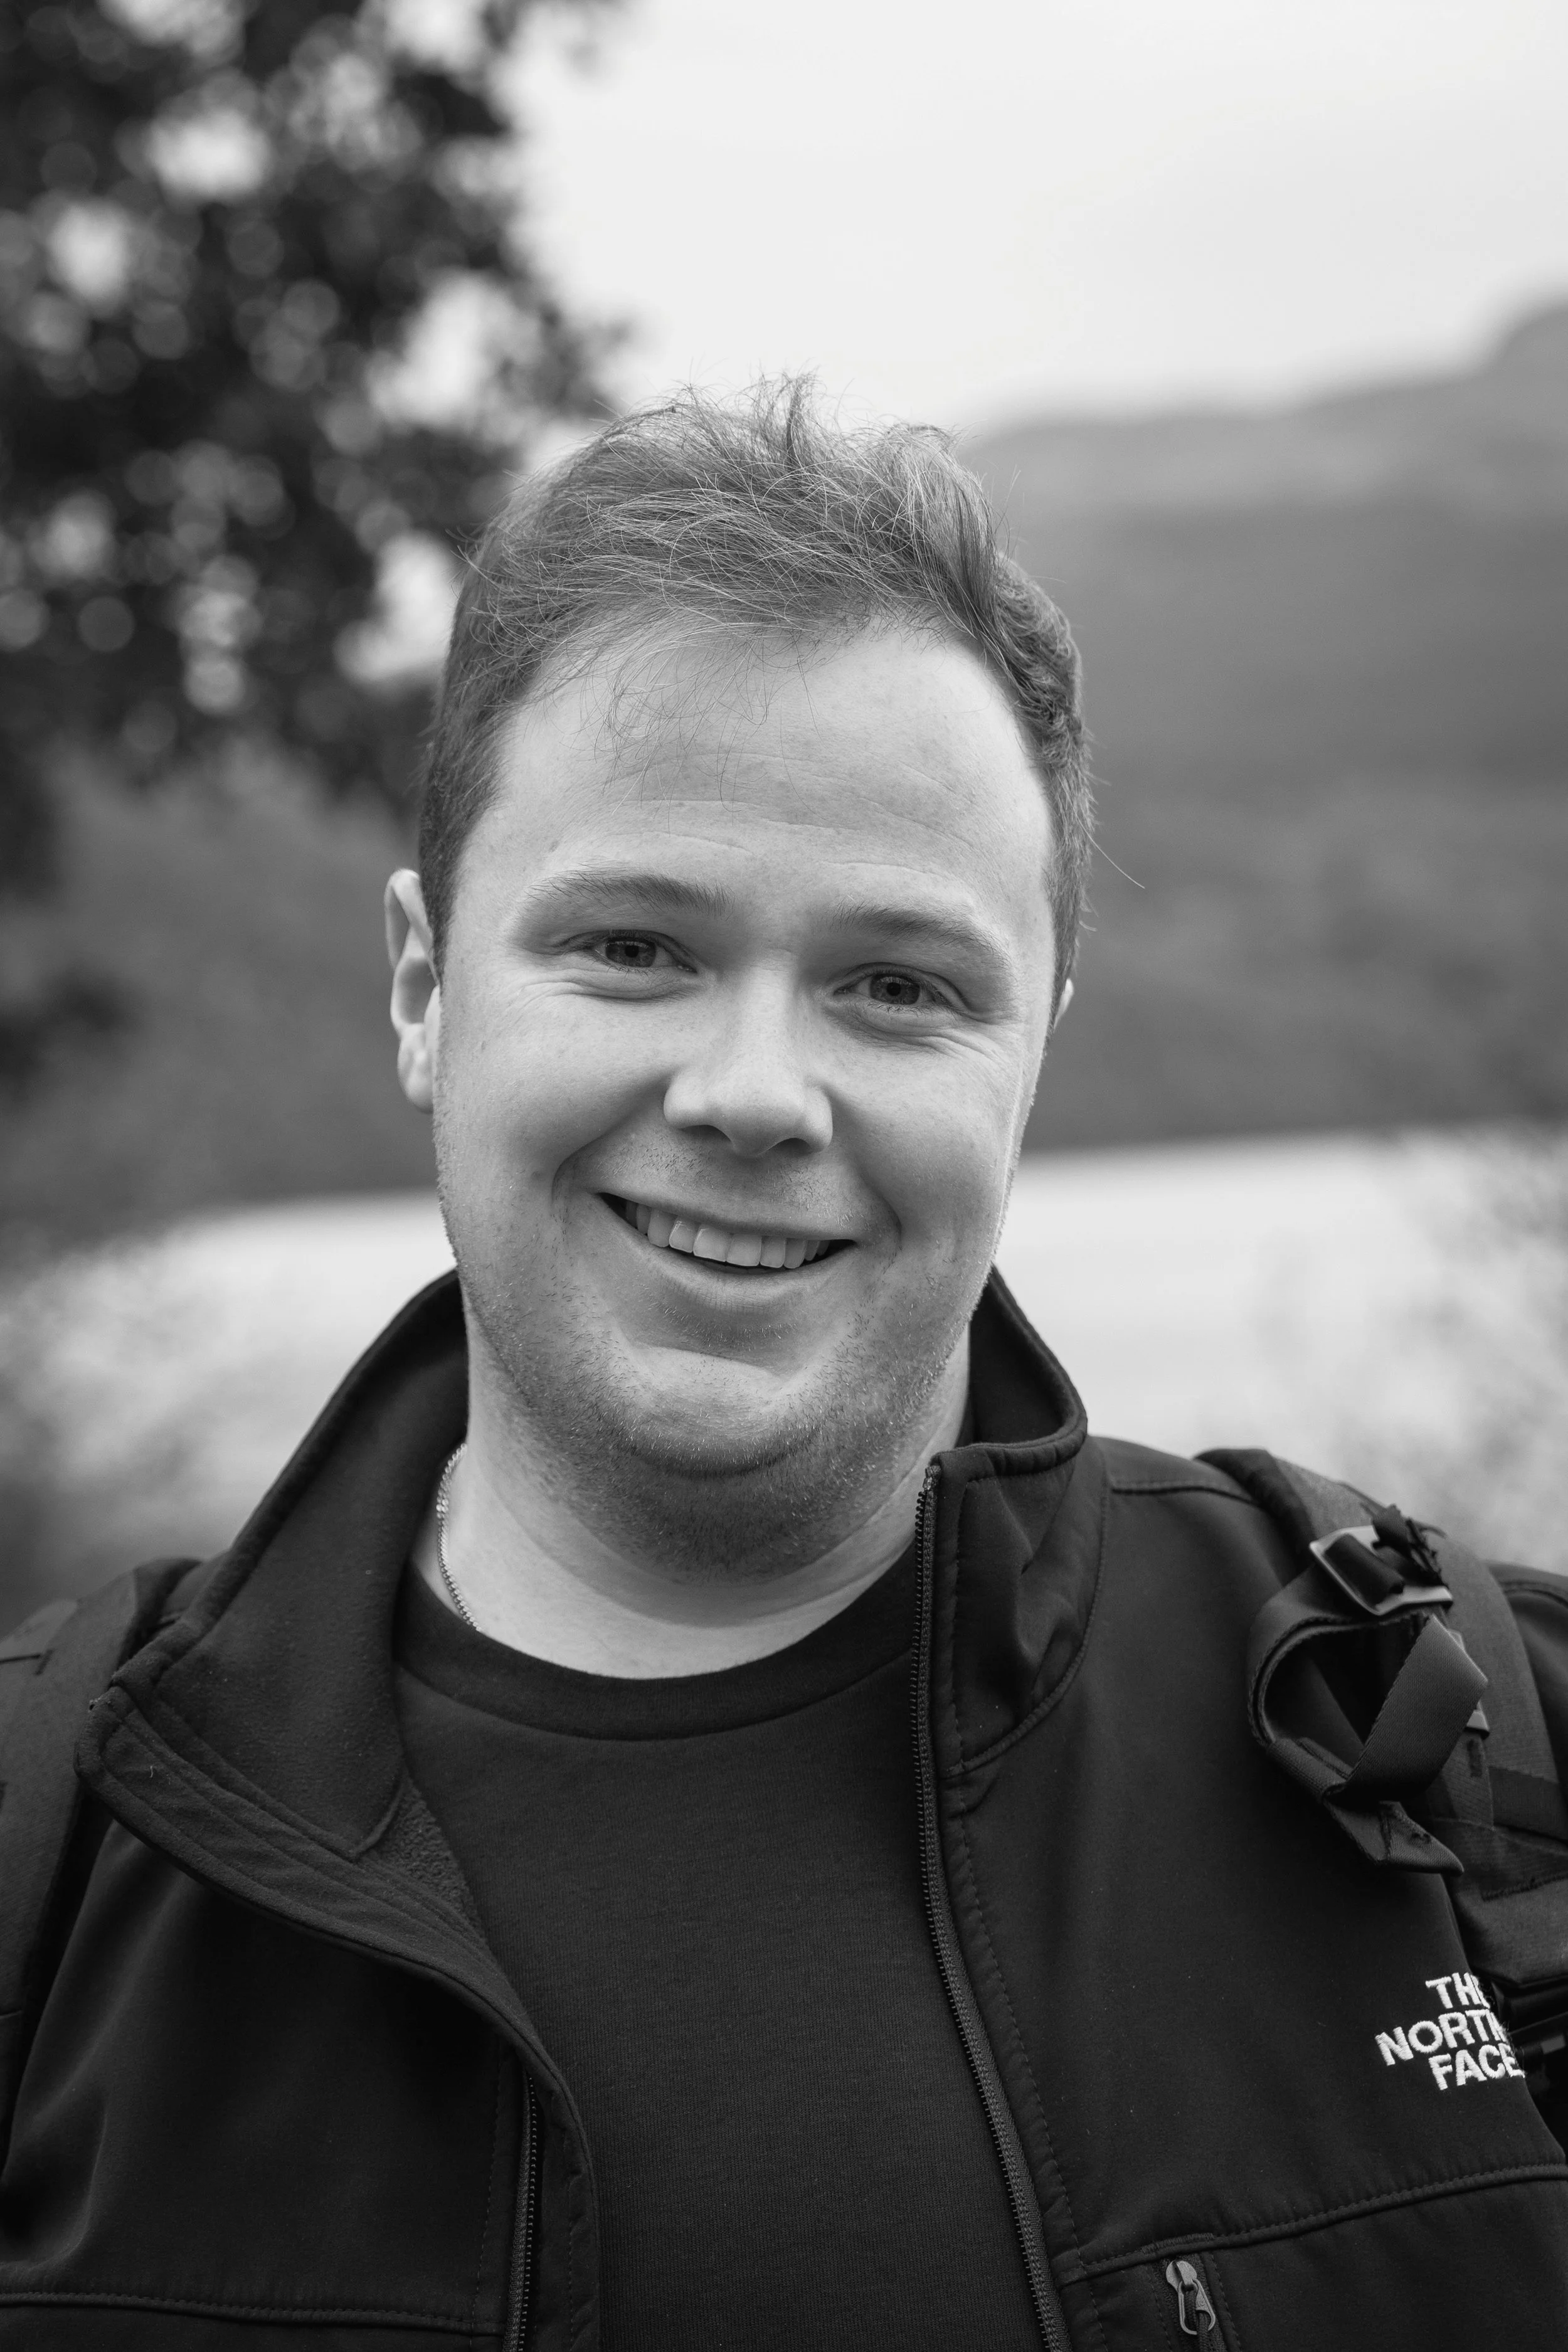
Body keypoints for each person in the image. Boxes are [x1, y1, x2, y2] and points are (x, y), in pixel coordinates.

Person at [1, 384, 1565, 2352]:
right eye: (635, 947)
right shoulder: (52, 1864)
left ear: (1035, 1047)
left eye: (896, 986)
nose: (752, 1094)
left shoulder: (1452, 1760)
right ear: (423, 987)